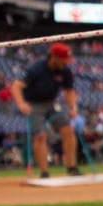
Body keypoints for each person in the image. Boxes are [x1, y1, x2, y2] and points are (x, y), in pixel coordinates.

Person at [15, 43, 81, 178]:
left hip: (52, 103)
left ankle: (72, 168)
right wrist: (22, 104)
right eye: (63, 60)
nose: (65, 64)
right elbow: (16, 86)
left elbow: (69, 91)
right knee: (40, 136)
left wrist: (73, 108)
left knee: (68, 130)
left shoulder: (65, 71)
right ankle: (44, 172)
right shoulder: (36, 69)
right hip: (34, 104)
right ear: (54, 58)